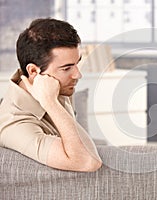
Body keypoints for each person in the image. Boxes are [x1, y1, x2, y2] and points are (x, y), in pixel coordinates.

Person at [0, 18, 102, 172]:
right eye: (67, 68)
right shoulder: (14, 124)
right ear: (33, 71)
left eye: (77, 63)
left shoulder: (55, 85)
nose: (77, 75)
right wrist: (51, 103)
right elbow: (89, 162)